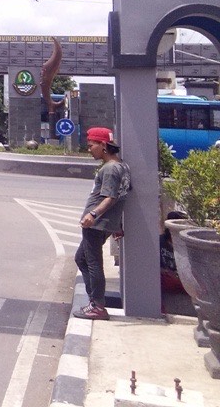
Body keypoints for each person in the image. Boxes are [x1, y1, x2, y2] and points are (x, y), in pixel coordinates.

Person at [73, 127, 132, 321]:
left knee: (93, 263)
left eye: (92, 145)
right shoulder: (122, 166)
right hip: (104, 223)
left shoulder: (110, 169)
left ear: (104, 145)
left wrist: (93, 214)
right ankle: (94, 301)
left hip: (97, 224)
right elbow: (123, 196)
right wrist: (119, 224)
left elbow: (111, 197)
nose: (89, 149)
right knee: (81, 258)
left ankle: (97, 306)